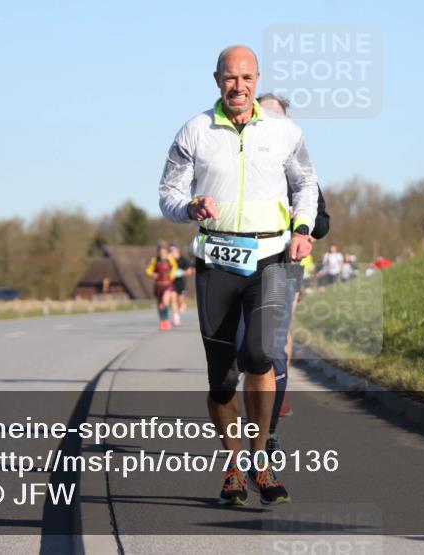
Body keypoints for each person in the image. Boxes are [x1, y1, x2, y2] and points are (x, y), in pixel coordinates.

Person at [159, 45, 318, 506]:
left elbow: (307, 184)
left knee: (261, 355)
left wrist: (302, 228)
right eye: (230, 78)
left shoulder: (285, 132)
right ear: (216, 80)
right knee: (221, 378)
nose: (239, 86)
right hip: (216, 260)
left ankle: (261, 462)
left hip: (270, 255)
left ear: (257, 79)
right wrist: (189, 207)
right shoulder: (195, 131)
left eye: (247, 78)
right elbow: (168, 193)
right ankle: (232, 466)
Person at [253, 93, 331, 458]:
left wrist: (300, 227)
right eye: (261, 113)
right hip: (238, 268)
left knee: (274, 346)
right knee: (245, 356)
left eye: (275, 116)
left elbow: (323, 219)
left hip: (282, 267)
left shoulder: (297, 164)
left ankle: (267, 431)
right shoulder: (241, 159)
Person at [145, 244, 178, 332]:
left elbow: (174, 267)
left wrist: (171, 275)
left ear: (166, 252)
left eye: (163, 252)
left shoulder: (169, 259)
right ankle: (163, 321)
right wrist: (152, 274)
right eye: (160, 252)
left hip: (167, 284)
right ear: (158, 252)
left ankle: (166, 321)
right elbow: (148, 270)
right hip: (158, 285)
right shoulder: (154, 260)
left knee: (164, 302)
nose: (162, 254)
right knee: (159, 304)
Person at [168, 244, 193, 325]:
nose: (172, 252)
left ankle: (182, 304)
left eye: (173, 250)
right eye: (170, 251)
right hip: (171, 282)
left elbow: (189, 271)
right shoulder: (168, 260)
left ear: (177, 250)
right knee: (173, 299)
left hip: (181, 282)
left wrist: (181, 272)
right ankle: (176, 317)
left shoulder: (183, 259)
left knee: (180, 300)